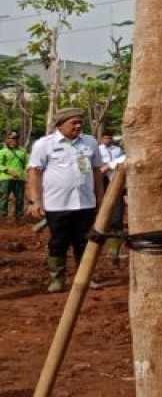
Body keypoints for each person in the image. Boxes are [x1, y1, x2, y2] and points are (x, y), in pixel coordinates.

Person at [26, 109, 103, 292]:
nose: (78, 126)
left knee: (84, 241)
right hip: (57, 204)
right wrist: (36, 201)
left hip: (85, 203)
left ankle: (84, 278)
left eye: (80, 123)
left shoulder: (90, 142)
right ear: (60, 124)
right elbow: (34, 173)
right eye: (73, 122)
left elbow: (96, 171)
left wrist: (100, 196)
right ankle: (57, 279)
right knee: (58, 241)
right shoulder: (44, 144)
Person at [97, 132, 127, 259]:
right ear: (102, 138)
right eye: (106, 137)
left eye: (110, 137)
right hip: (100, 181)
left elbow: (120, 163)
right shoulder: (97, 149)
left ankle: (114, 249)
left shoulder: (118, 151)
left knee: (117, 216)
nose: (108, 139)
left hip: (115, 181)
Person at [0, 131, 28, 223]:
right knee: (4, 197)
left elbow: (27, 164)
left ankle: (18, 216)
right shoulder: (3, 151)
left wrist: (25, 173)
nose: (14, 140)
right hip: (6, 178)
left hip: (20, 179)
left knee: (19, 198)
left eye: (16, 138)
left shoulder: (22, 151)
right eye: (12, 138)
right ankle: (2, 217)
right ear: (7, 139)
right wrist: (8, 171)